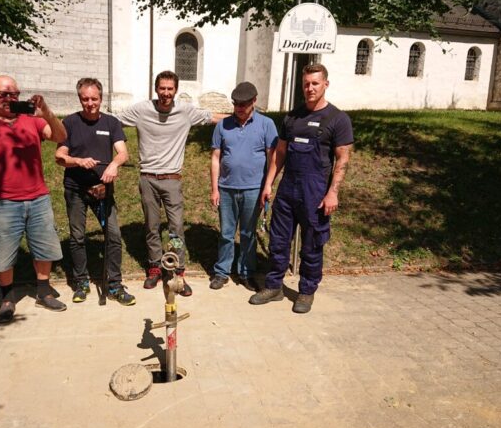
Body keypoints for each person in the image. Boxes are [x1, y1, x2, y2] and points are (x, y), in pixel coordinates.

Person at [0, 75, 68, 323]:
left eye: (14, 94)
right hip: (2, 202)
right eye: (3, 94)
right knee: (2, 253)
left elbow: (60, 136)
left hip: (38, 198)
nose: (9, 99)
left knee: (44, 248)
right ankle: (8, 297)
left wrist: (46, 112)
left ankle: (43, 291)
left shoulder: (33, 121)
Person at [249, 64, 353, 314]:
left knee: (312, 245)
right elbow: (280, 153)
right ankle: (274, 286)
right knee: (278, 241)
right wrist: (268, 184)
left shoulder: (338, 119)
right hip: (288, 190)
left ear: (325, 84)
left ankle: (306, 291)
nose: (310, 88)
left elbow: (343, 159)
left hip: (315, 193)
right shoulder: (292, 117)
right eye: (306, 84)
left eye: (315, 83)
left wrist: (333, 192)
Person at [117, 70, 226, 295]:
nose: (166, 93)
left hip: (172, 180)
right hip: (147, 178)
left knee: (176, 228)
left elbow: (212, 117)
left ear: (175, 90)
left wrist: (244, 116)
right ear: (156, 89)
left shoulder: (185, 111)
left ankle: (178, 272)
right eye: (162, 88)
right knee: (152, 227)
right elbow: (111, 120)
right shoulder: (141, 110)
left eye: (170, 89)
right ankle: (155, 268)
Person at [55, 78, 135, 305]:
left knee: (113, 235)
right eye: (85, 99)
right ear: (79, 98)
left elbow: (122, 153)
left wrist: (113, 165)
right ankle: (81, 282)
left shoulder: (111, 123)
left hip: (102, 189)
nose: (90, 103)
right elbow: (60, 157)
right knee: (78, 236)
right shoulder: (69, 123)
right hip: (75, 190)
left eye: (94, 98)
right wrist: (78, 161)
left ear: (102, 98)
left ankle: (114, 285)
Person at [209, 82, 278, 291]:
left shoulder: (267, 124)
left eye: (244, 104)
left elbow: (273, 158)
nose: (239, 108)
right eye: (236, 103)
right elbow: (215, 157)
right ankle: (222, 272)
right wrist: (214, 188)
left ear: (254, 101)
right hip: (226, 188)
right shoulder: (223, 125)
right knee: (226, 233)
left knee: (248, 233)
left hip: (253, 189)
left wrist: (268, 186)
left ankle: (246, 273)